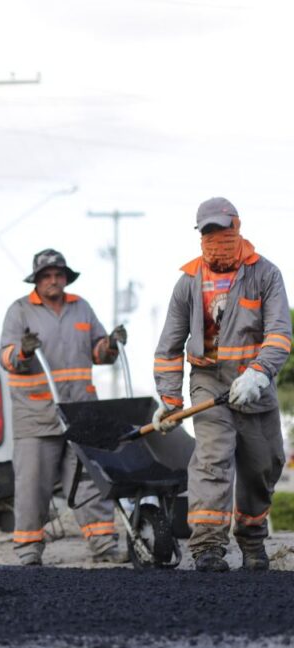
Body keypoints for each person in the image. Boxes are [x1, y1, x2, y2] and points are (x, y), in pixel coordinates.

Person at [152, 197, 290, 572]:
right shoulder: (188, 283)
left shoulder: (265, 275)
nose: (216, 238)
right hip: (208, 383)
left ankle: (251, 539)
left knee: (265, 464)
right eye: (208, 231)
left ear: (237, 226)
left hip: (253, 384)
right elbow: (169, 346)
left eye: (222, 229)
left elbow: (279, 334)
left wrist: (260, 372)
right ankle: (208, 546)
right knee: (212, 459)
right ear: (201, 234)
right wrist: (169, 398)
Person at [0, 248, 127, 566]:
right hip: (36, 414)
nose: (53, 281)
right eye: (47, 276)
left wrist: (110, 344)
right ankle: (29, 549)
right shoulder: (20, 311)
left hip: (81, 412)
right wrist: (24, 353)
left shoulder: (81, 308)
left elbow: (99, 352)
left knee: (90, 481)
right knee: (33, 486)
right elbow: (6, 358)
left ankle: (103, 544)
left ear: (66, 278)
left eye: (58, 275)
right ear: (37, 281)